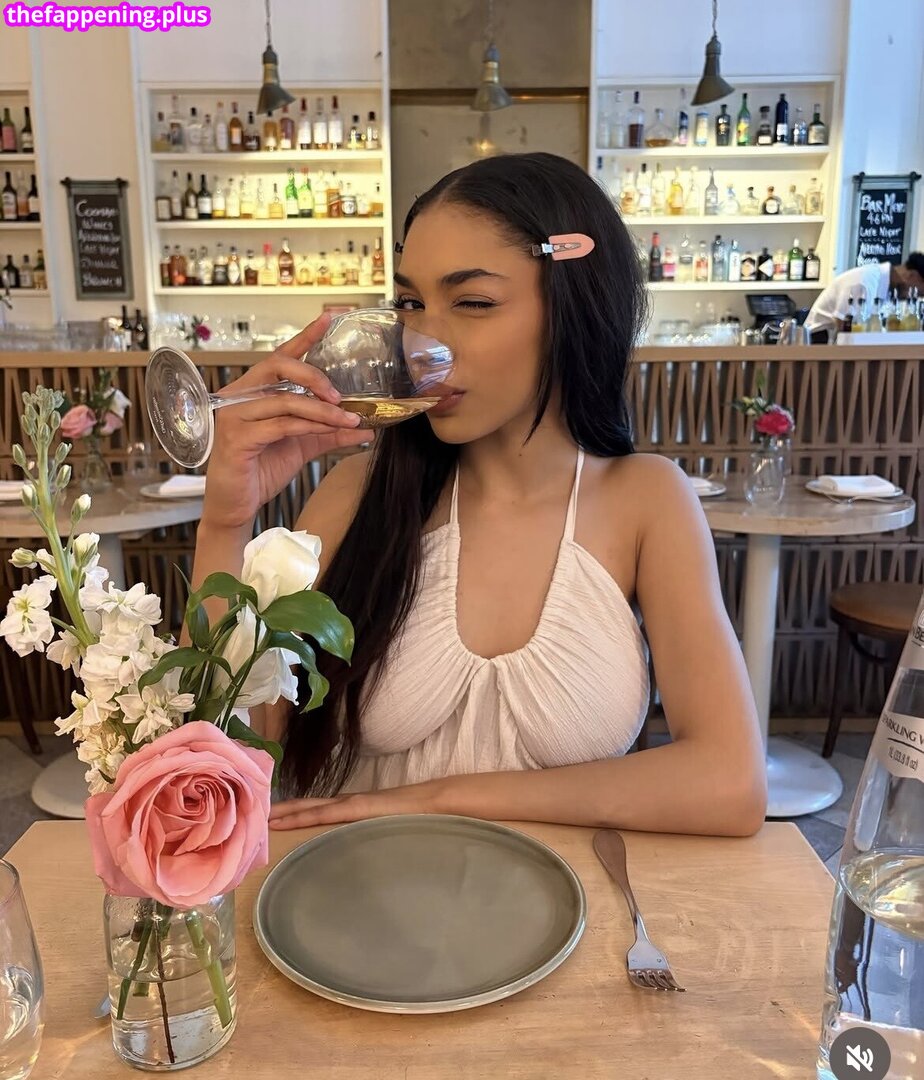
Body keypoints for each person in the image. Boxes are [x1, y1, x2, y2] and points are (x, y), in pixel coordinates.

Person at [192, 152, 766, 837]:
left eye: (472, 303)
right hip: (369, 890)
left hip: (569, 901)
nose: (423, 344)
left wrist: (435, 799)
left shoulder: (645, 500)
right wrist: (225, 521)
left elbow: (730, 783)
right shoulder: (357, 496)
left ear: (574, 308)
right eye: (411, 304)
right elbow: (237, 742)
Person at [804, 252, 924, 338]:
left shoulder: (887, 287)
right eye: (920, 293)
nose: (913, 297)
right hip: (818, 344)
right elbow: (845, 327)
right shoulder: (865, 281)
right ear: (913, 275)